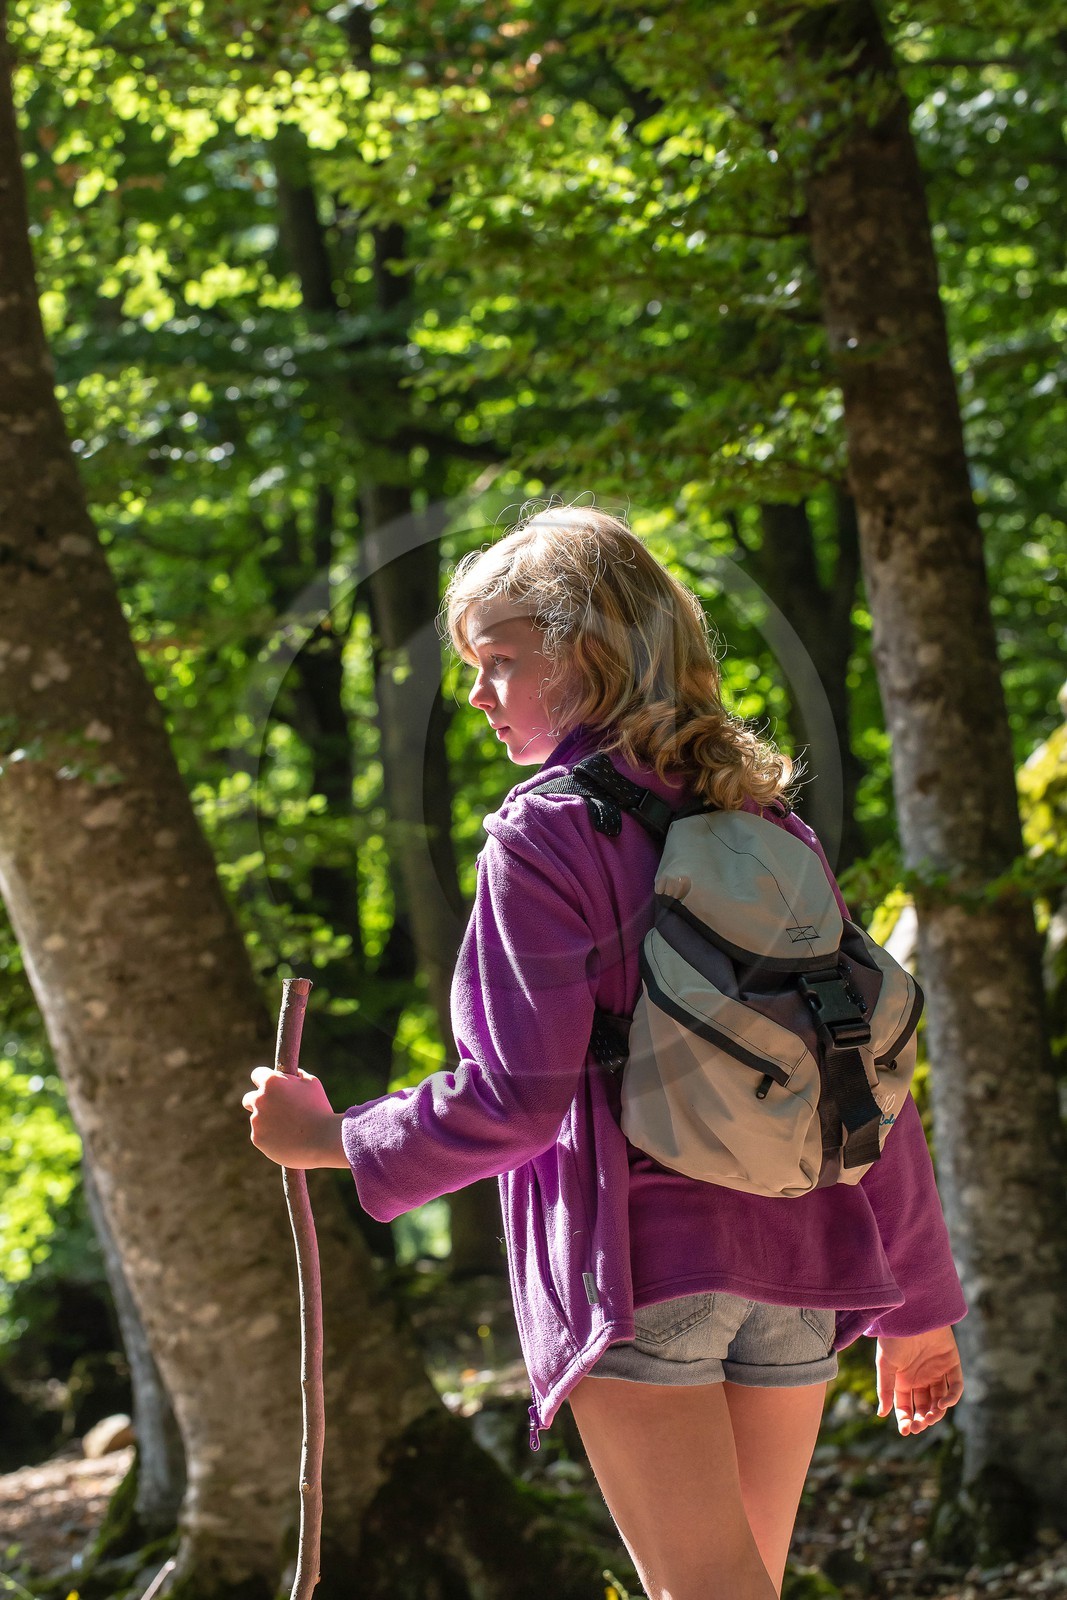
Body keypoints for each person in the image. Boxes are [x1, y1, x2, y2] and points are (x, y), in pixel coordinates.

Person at [243, 505, 965, 1600]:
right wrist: (913, 1303)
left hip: (641, 1272)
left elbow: (513, 1102)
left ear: (586, 656)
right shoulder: (768, 827)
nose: (477, 696)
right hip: (801, 1268)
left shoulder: (545, 834)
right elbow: (865, 1083)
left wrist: (330, 1136)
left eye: (497, 663)